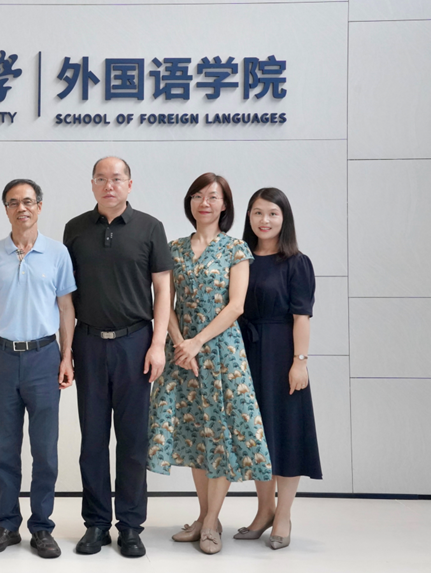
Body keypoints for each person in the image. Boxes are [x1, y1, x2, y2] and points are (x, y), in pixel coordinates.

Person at [147, 172, 272, 555]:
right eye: (198, 196)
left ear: (224, 205)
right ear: (190, 202)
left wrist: (197, 342)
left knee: (220, 435)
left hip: (221, 354)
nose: (204, 202)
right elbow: (164, 301)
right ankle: (204, 518)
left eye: (213, 197)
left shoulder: (235, 248)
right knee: (195, 434)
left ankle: (213, 521)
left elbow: (236, 305)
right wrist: (180, 344)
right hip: (182, 354)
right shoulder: (173, 248)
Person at [63, 157, 172, 558]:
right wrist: (66, 350)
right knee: (92, 440)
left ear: (130, 184)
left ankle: (129, 526)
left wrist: (158, 344)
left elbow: (163, 290)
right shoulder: (75, 229)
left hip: (135, 343)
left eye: (116, 179)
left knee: (132, 441)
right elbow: (67, 297)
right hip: (89, 343)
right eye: (101, 179)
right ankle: (96, 524)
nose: (109, 185)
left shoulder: (150, 228)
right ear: (92, 184)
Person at [0, 179, 77, 559]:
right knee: (5, 449)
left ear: (39, 206)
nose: (21, 208)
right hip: (3, 358)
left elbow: (66, 307)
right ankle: (6, 524)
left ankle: (41, 527)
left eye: (28, 201)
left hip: (43, 357)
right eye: (13, 202)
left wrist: (66, 356)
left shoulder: (57, 253)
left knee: (45, 450)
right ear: (6, 209)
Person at [234, 187, 320, 550]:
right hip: (244, 354)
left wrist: (300, 362)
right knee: (258, 435)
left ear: (284, 219)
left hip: (282, 355)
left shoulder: (296, 262)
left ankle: (283, 514)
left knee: (286, 433)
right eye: (257, 213)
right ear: (249, 217)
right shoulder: (239, 257)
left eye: (272, 213)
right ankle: (264, 510)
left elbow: (302, 317)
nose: (264, 220)